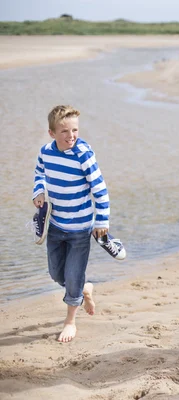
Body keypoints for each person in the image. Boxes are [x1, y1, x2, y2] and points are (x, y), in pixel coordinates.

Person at [32, 105, 111, 342]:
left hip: (80, 228)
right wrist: (38, 192)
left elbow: (100, 189)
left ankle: (70, 321)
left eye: (75, 130)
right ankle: (83, 289)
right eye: (64, 131)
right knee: (56, 274)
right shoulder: (46, 152)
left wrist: (102, 220)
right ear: (52, 133)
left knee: (73, 274)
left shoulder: (83, 154)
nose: (71, 136)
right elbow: (39, 174)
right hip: (55, 225)